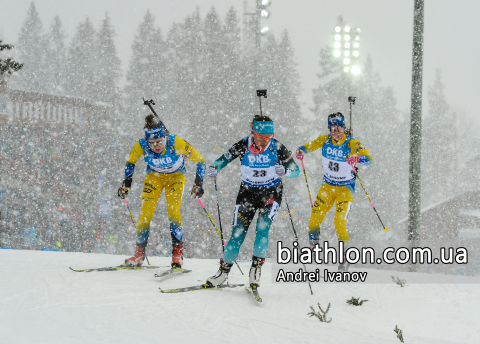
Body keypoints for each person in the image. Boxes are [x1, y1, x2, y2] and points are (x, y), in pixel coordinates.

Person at [205, 115, 299, 291]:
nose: (264, 142)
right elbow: (222, 159)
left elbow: (296, 170)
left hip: (271, 194)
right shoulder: (243, 144)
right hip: (247, 194)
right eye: (260, 138)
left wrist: (285, 171)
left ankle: (255, 272)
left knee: (262, 230)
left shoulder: (277, 147)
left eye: (268, 138)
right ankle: (223, 273)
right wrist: (215, 168)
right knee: (237, 235)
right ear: (253, 133)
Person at [118, 114, 206, 269]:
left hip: (176, 177)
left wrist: (198, 183)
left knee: (173, 212)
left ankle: (177, 254)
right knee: (146, 212)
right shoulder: (141, 145)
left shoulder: (176, 142)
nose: (156, 146)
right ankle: (139, 253)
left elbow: (201, 161)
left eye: (160, 142)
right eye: (152, 143)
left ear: (165, 137)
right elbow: (130, 162)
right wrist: (126, 183)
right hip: (154, 177)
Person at [296, 112, 372, 271]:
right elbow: (310, 146)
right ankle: (313, 248)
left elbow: (369, 159)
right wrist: (301, 150)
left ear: (344, 128)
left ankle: (344, 258)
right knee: (314, 219)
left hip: (345, 189)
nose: (336, 132)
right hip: (327, 187)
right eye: (333, 128)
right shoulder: (324, 140)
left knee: (339, 222)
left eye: (339, 128)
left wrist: (356, 158)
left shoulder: (351, 143)